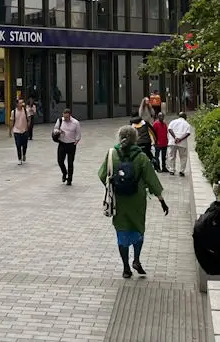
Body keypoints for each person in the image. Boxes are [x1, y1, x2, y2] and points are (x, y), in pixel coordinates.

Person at [98, 125, 169, 279]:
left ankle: (125, 268)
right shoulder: (141, 157)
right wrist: (161, 200)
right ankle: (136, 259)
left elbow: (102, 174)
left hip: (119, 201)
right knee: (138, 229)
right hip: (137, 201)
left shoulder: (112, 154)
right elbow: (152, 180)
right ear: (135, 138)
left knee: (122, 232)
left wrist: (113, 186)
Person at [53, 108, 81, 186]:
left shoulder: (75, 123)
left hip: (71, 144)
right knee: (60, 161)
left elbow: (78, 133)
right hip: (62, 143)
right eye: (64, 116)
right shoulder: (60, 120)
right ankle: (64, 172)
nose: (65, 118)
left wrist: (76, 140)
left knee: (70, 162)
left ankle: (69, 179)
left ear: (70, 116)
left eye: (67, 117)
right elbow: (55, 129)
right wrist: (58, 131)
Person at [167, 112, 191, 177]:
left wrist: (175, 137)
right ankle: (182, 171)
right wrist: (180, 139)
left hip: (172, 142)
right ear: (185, 117)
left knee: (171, 156)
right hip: (182, 143)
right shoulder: (187, 124)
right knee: (183, 157)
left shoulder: (173, 122)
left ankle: (172, 170)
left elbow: (170, 129)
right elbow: (188, 133)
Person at [9, 98, 30, 165]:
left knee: (25, 145)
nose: (22, 104)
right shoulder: (13, 112)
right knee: (18, 145)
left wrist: (28, 127)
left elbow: (29, 119)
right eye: (20, 103)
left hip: (24, 130)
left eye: (22, 102)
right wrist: (10, 131)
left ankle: (24, 154)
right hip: (16, 130)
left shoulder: (26, 111)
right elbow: (12, 121)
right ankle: (19, 159)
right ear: (17, 104)